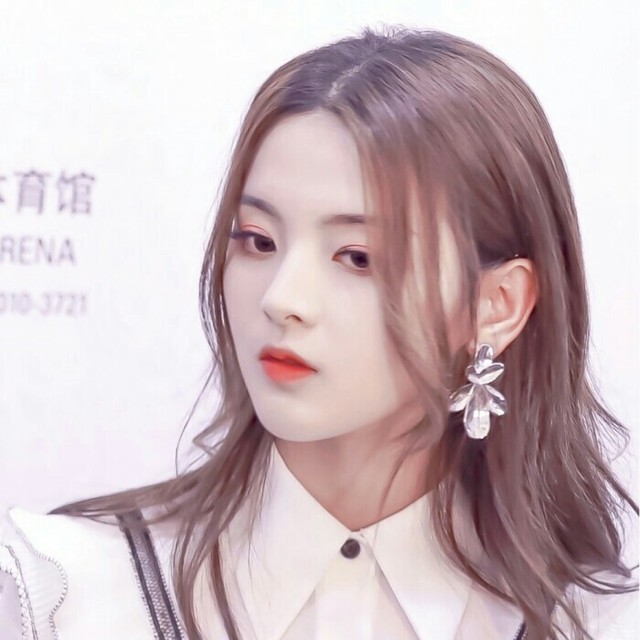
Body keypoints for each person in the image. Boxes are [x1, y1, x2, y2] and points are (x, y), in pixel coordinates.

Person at [0, 25, 637, 640]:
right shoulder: (62, 595)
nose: (282, 299)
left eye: (358, 257)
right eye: (258, 241)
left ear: (496, 304)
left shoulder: (599, 624)